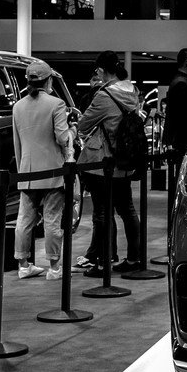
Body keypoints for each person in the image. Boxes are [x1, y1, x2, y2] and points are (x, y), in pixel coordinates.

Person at [75, 51, 143, 275]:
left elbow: (84, 125)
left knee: (103, 213)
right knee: (128, 210)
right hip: (125, 160)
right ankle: (134, 260)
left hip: (101, 162)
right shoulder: (132, 90)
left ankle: (104, 264)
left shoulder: (105, 95)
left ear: (102, 71)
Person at [12, 61, 74, 280]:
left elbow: (17, 143)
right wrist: (72, 131)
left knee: (24, 219)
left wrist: (22, 169)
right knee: (52, 219)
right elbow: (62, 137)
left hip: (27, 171)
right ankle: (55, 268)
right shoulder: (56, 104)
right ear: (48, 80)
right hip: (53, 171)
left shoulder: (18, 106)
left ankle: (23, 265)